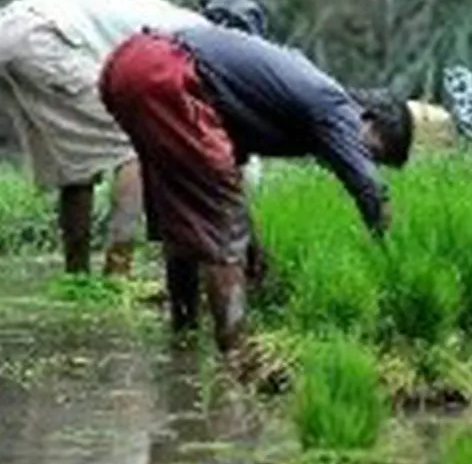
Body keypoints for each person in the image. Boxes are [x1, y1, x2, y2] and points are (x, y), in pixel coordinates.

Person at [98, 21, 413, 358]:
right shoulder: (336, 107)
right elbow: (369, 188)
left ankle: (184, 338)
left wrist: (250, 235)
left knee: (184, 215)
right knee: (222, 232)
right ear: (368, 119)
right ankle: (236, 356)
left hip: (129, 64)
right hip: (168, 75)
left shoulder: (288, 102)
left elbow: (222, 174)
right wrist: (397, 263)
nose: (364, 158)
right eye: (374, 153)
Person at [0, 0, 267, 277]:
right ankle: (118, 273)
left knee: (75, 167)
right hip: (43, 38)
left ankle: (76, 276)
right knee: (136, 146)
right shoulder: (201, 42)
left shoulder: (171, 17)